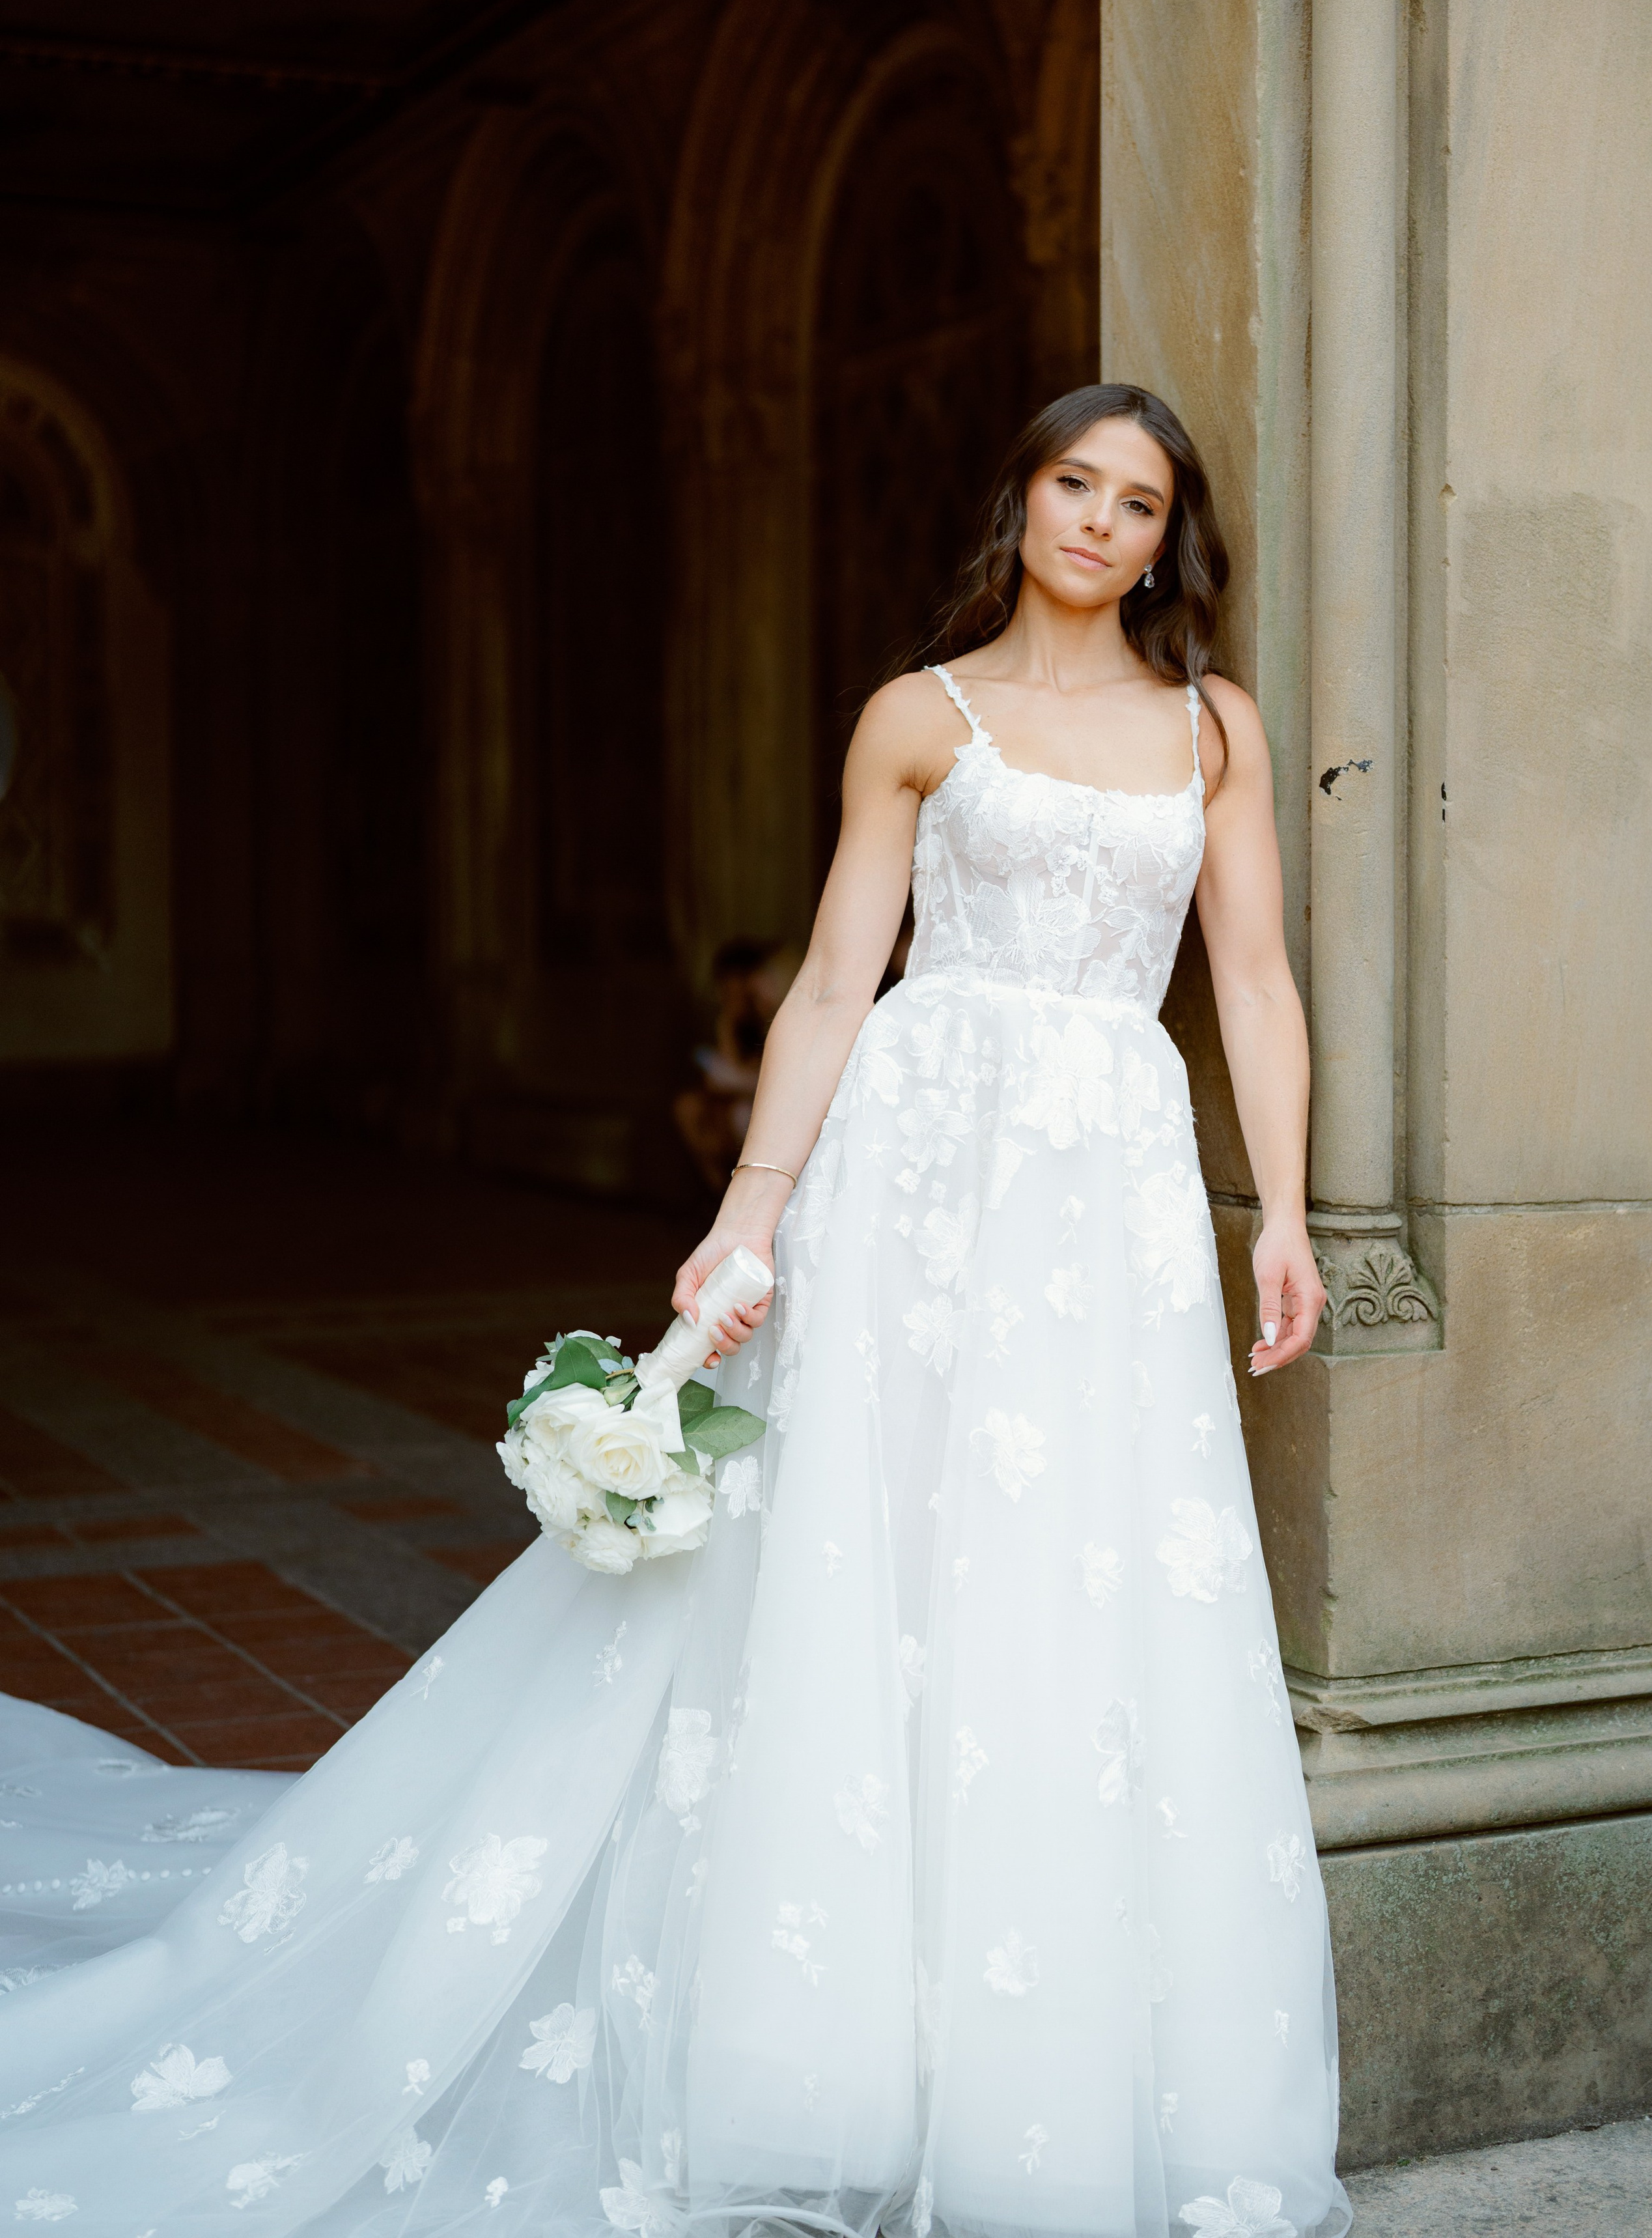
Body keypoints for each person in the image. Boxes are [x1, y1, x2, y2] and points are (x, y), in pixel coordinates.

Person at [0, 386, 1349, 2238]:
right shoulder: (920, 716)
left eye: (1140, 502)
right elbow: (824, 995)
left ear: (1166, 537)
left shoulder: (1212, 733)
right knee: (877, 1558)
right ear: (1024, 497)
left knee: (1079, 1577)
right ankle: (841, 2057)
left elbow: (1255, 983)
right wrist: (750, 1225)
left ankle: (1042, 2064)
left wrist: (1276, 1213)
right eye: (1075, 484)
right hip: (920, 1169)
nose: (1103, 523)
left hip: (1107, 1190)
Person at [673, 939, 798, 1195]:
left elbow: (755, 1081)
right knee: (691, 1108)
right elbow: (715, 1074)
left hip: (762, 1103)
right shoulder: (730, 1022)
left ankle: (731, 1191)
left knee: (733, 1115)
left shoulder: (778, 1019)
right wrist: (728, 1023)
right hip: (739, 1097)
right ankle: (718, 1189)